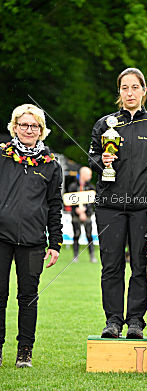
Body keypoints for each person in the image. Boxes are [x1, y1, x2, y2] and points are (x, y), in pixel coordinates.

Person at [88, 67, 147, 339]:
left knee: (140, 265)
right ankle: (113, 321)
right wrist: (101, 162)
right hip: (109, 206)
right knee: (111, 265)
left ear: (144, 91)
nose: (130, 93)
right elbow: (91, 159)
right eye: (125, 88)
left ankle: (136, 321)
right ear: (119, 92)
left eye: (135, 87)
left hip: (144, 208)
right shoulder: (105, 124)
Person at [0, 104, 63, 368]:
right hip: (1, 238)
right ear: (14, 127)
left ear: (41, 130)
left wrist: (55, 243)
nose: (28, 129)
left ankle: (25, 351)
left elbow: (55, 206)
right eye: (24, 125)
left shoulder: (51, 165)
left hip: (33, 242)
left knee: (28, 297)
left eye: (34, 125)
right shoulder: (1, 156)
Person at [68, 166, 97, 263]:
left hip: (87, 215)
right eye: (89, 174)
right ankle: (75, 256)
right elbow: (69, 200)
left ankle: (92, 256)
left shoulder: (91, 188)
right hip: (75, 215)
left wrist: (85, 211)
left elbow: (92, 202)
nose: (90, 176)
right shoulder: (72, 187)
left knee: (89, 235)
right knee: (76, 234)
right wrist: (76, 210)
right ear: (83, 175)